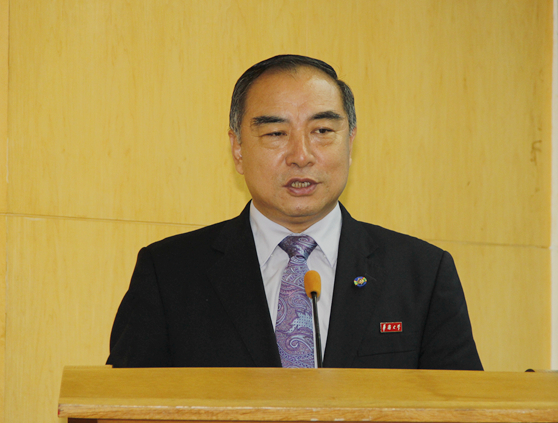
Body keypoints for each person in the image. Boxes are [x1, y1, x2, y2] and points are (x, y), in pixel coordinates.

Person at [107, 54, 483, 370]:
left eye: (322, 131)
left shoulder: (422, 274)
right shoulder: (169, 273)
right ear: (238, 149)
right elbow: (120, 408)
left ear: (350, 143)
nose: (301, 156)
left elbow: (463, 409)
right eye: (276, 134)